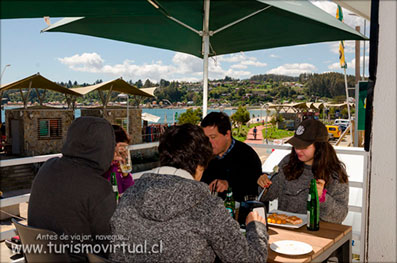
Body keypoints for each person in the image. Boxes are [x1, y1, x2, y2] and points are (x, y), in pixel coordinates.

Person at [109, 124, 268, 262]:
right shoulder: (208, 209)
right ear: (200, 165)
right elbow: (250, 259)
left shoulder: (128, 197)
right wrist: (256, 227)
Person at [28, 116, 117, 261]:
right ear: (106, 146)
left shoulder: (47, 167)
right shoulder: (98, 187)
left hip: (40, 256)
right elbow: (112, 244)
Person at [257, 119, 349, 223]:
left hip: (320, 235)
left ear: (320, 147)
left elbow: (340, 216)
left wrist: (322, 197)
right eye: (296, 145)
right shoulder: (288, 163)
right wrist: (264, 185)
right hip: (287, 230)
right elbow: (268, 195)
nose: (297, 150)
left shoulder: (335, 173)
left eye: (304, 146)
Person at [200, 112, 262, 202]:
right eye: (206, 138)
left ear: (227, 135)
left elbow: (252, 189)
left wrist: (228, 185)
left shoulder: (248, 156)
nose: (208, 143)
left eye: (213, 137)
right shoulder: (203, 155)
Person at [103, 125, 134, 195]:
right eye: (121, 147)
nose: (124, 152)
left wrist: (126, 176)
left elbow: (130, 192)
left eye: (125, 147)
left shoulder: (118, 166)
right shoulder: (101, 167)